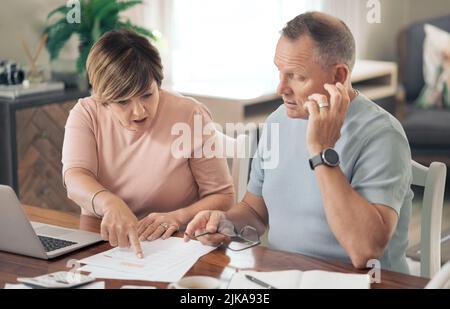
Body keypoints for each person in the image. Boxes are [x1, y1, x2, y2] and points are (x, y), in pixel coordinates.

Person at [185, 12, 413, 274]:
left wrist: (322, 150)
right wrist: (223, 223)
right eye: (279, 72)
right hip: (286, 277)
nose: (281, 87)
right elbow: (255, 212)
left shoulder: (383, 135)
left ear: (339, 76)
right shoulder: (277, 122)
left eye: (297, 76)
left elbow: (365, 251)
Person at [62, 29, 235, 258]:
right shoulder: (86, 113)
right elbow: (74, 177)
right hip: (103, 240)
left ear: (158, 83)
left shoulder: (190, 114)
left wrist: (178, 216)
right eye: (122, 101)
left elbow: (223, 197)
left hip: (175, 244)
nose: (139, 111)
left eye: (147, 94)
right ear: (102, 98)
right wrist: (109, 203)